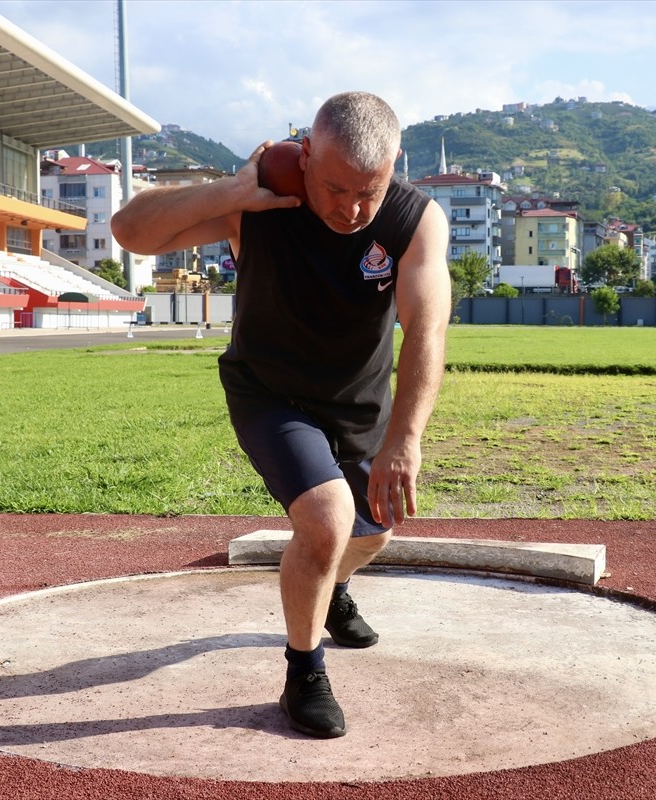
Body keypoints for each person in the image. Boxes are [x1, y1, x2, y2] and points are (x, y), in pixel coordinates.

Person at [111, 91, 451, 739]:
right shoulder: (262, 201)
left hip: (358, 402)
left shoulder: (415, 219)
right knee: (327, 519)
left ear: (395, 166)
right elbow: (131, 232)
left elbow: (427, 332)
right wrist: (230, 191)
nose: (350, 209)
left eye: (367, 192)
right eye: (333, 187)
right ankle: (305, 673)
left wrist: (404, 440)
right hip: (270, 391)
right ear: (306, 153)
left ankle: (332, 588)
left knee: (371, 535)